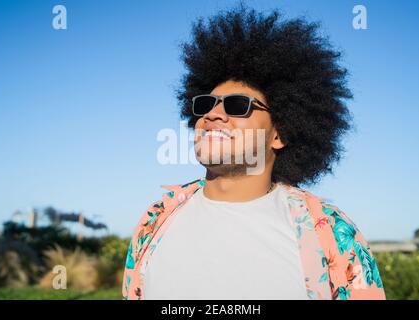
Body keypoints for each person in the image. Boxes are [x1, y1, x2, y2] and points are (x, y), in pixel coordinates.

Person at [122, 5, 386, 300]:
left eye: (237, 106)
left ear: (279, 133)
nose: (214, 114)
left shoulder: (332, 233)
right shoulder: (156, 219)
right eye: (205, 105)